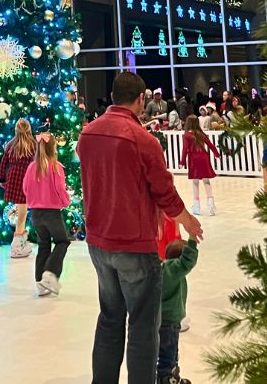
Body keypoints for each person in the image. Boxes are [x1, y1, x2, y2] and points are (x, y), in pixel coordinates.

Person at [77, 71, 204, 384]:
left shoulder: (88, 134)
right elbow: (163, 190)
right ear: (140, 99)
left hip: (99, 242)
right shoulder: (142, 140)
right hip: (134, 243)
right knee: (144, 325)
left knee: (109, 317)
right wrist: (187, 220)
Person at [22, 132, 71, 297]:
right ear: (53, 148)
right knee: (62, 241)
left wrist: (33, 202)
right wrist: (65, 202)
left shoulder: (31, 168)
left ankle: (40, 282)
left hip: (35, 213)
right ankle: (50, 273)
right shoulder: (56, 167)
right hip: (52, 213)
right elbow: (60, 189)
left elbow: (25, 189)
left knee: (43, 245)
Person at [158, 235, 199, 384]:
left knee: (163, 352)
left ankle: (167, 376)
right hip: (170, 321)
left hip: (158, 319)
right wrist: (193, 241)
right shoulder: (174, 270)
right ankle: (167, 378)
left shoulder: (162, 268)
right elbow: (188, 260)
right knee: (169, 354)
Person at [0, 118, 37, 259]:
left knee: (22, 213)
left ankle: (20, 242)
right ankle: (17, 246)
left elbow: (3, 163)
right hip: (27, 180)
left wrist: (2, 179)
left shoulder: (11, 145)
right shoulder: (34, 145)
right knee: (22, 215)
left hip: (14, 179)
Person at [182, 116, 220, 216]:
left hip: (194, 159)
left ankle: (196, 206)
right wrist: (217, 154)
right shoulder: (201, 134)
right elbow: (211, 145)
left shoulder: (186, 135)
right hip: (204, 158)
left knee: (195, 183)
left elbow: (185, 150)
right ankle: (211, 205)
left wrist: (182, 162)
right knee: (206, 181)